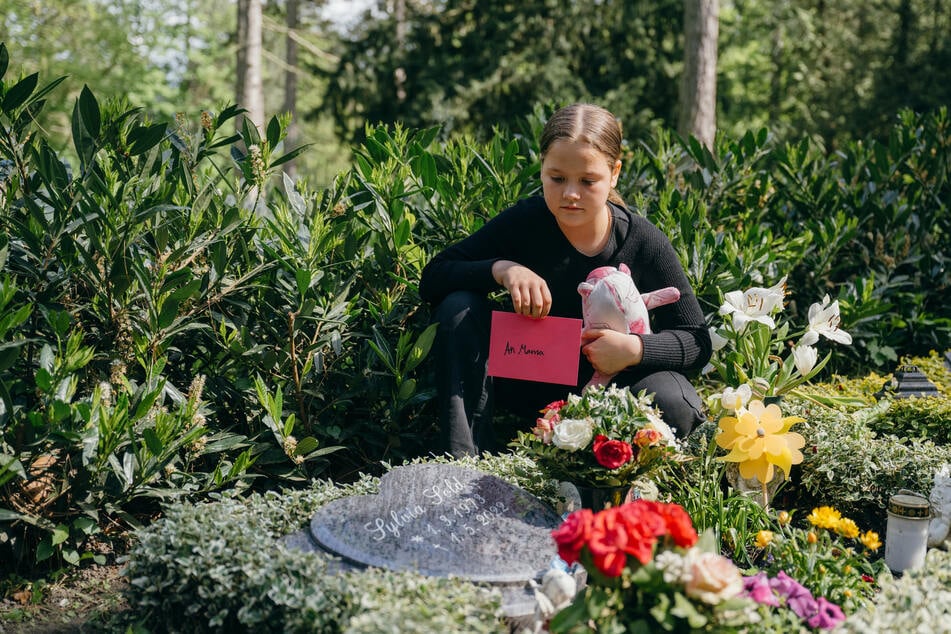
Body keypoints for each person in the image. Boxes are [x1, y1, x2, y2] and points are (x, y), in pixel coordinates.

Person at [419, 103, 711, 457]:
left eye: (588, 181)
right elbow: (434, 276)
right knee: (458, 308)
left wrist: (634, 350)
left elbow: (697, 341)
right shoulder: (526, 222)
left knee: (673, 401)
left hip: (613, 392)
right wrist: (501, 269)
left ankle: (625, 480)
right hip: (532, 384)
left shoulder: (642, 240)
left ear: (615, 173)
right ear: (541, 167)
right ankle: (464, 464)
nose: (570, 194)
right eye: (557, 178)